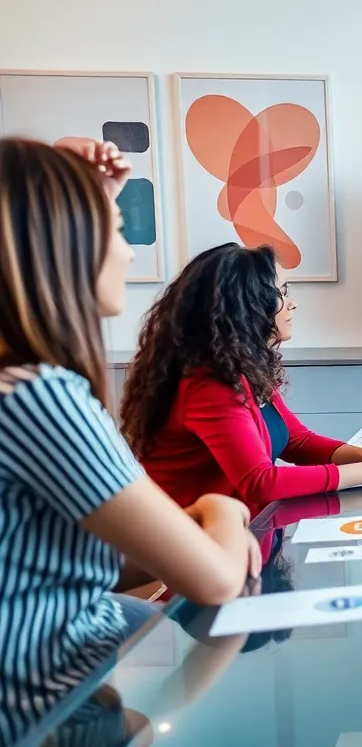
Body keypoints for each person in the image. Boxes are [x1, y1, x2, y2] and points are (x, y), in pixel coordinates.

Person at [0, 137, 256, 744]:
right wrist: (220, 509)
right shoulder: (40, 397)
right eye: (115, 230)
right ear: (67, 246)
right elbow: (216, 579)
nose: (130, 254)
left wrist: (86, 191)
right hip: (54, 718)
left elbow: (58, 560)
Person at [120, 244, 362, 517]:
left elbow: (297, 441)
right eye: (281, 292)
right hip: (197, 543)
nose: (291, 303)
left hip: (239, 533)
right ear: (246, 305)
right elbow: (260, 482)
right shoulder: (208, 383)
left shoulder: (241, 364)